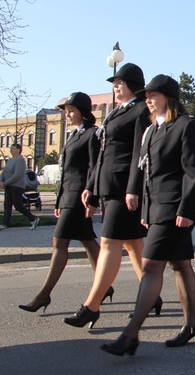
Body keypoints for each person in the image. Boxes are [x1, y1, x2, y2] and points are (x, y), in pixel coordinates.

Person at [101, 75, 195, 356]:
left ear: (168, 98)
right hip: (158, 209)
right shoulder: (152, 129)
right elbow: (148, 175)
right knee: (180, 264)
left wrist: (187, 209)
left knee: (150, 266)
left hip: (176, 209)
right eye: (146, 95)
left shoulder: (187, 126)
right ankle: (192, 324)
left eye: (153, 95)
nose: (147, 100)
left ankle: (131, 334)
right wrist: (147, 210)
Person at [65, 63, 150, 329]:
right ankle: (152, 296)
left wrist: (133, 188)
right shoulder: (115, 112)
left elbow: (140, 153)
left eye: (120, 82)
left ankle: (91, 306)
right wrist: (91, 184)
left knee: (110, 242)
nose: (115, 87)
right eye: (114, 83)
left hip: (124, 188)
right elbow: (101, 153)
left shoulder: (140, 111)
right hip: (108, 184)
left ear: (133, 85)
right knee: (133, 245)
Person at [19, 93, 100, 313]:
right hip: (67, 197)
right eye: (66, 111)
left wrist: (92, 196)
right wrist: (58, 200)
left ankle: (43, 295)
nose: (67, 114)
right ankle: (105, 285)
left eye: (71, 110)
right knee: (88, 242)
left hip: (79, 196)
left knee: (59, 242)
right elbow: (65, 172)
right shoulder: (72, 135)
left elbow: (95, 168)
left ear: (83, 111)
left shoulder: (92, 134)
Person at [0, 143, 39, 231]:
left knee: (18, 205)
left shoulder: (20, 160)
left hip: (16, 186)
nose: (11, 150)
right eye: (11, 148)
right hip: (8, 186)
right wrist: (0, 181)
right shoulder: (10, 160)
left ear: (18, 150)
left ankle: (33, 219)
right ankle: (4, 224)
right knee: (7, 205)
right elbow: (4, 172)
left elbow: (17, 174)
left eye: (13, 148)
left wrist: (6, 183)